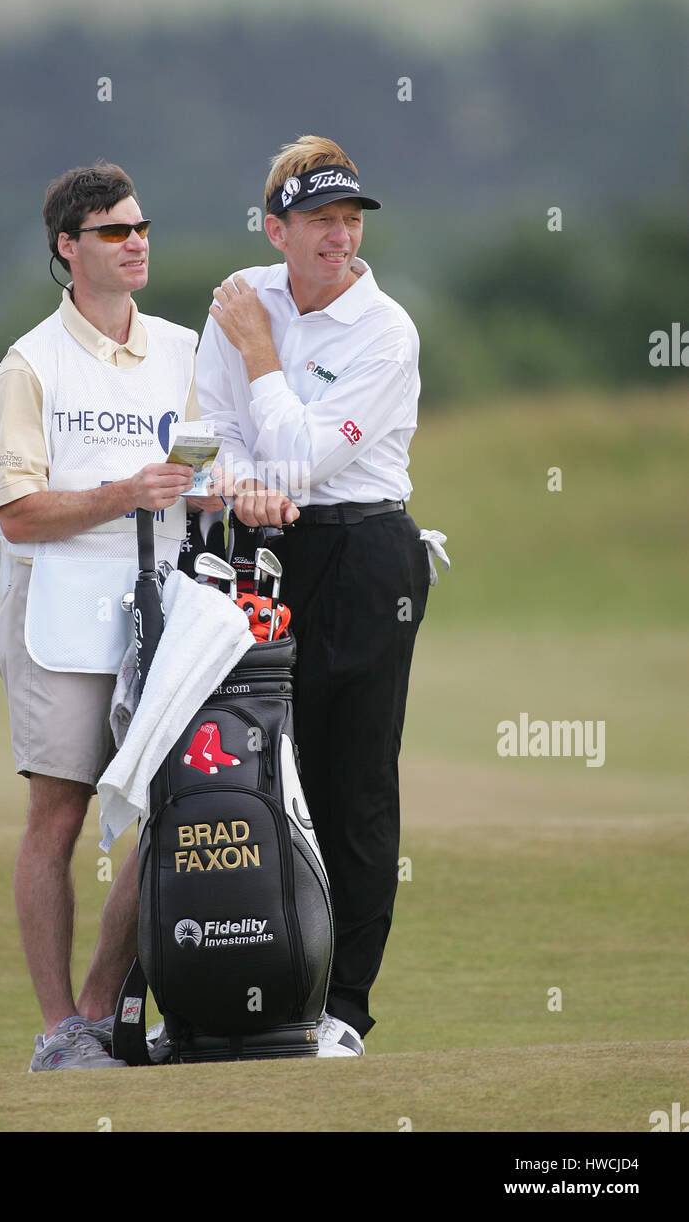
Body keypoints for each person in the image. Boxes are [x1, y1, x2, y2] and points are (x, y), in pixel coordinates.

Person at [0, 161, 218, 1070]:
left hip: (162, 614)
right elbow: (18, 512)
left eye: (142, 226)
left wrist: (225, 493)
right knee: (60, 818)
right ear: (68, 249)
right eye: (115, 232)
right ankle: (56, 1033)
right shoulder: (27, 367)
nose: (137, 242)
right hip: (61, 616)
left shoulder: (184, 350)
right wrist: (125, 493)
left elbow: (203, 474)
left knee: (173, 809)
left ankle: (97, 1008)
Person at [195, 135, 431, 1057]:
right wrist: (248, 485)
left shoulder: (386, 329)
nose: (340, 237)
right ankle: (259, 981)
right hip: (262, 549)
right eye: (320, 221)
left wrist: (261, 357)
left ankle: (346, 1009)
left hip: (367, 553)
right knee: (257, 774)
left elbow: (304, 458)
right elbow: (209, 433)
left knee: (352, 784)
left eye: (349, 220)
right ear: (276, 229)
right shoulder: (238, 297)